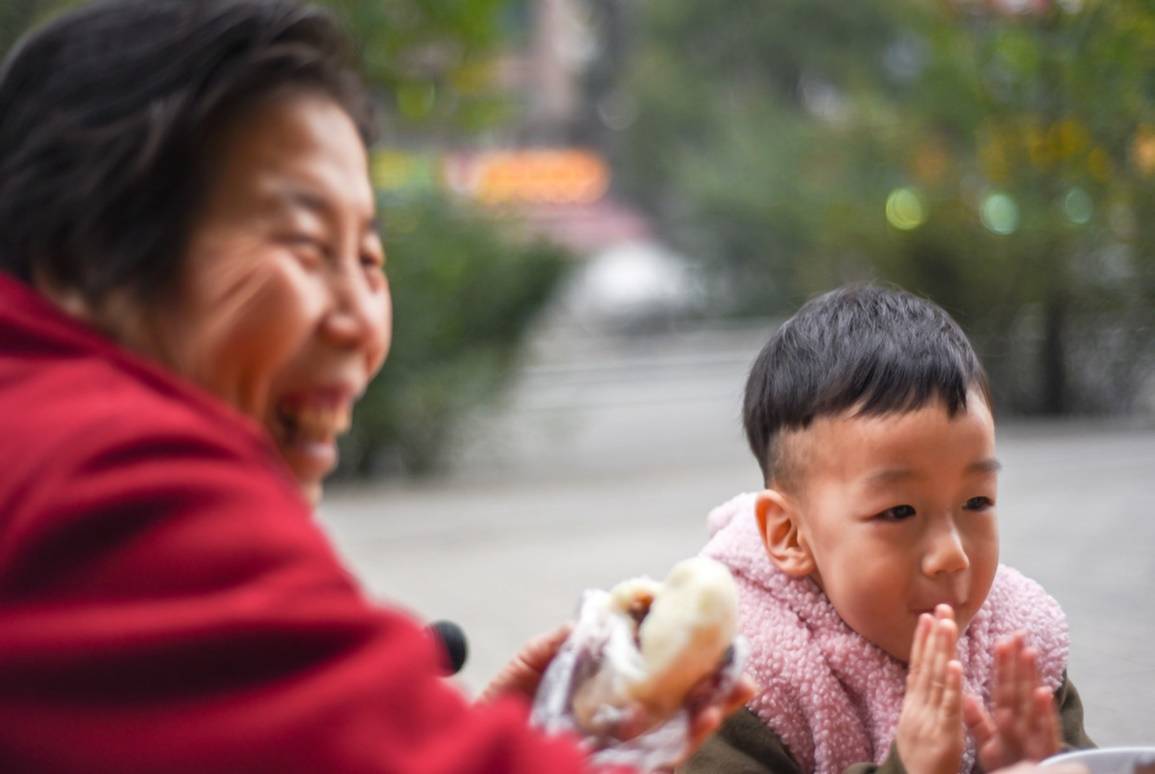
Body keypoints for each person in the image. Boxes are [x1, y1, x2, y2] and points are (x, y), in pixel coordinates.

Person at [0, 1, 749, 770]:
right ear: (82, 258)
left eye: (366, 258)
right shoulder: (108, 478)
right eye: (304, 243)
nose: (361, 323)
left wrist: (428, 729)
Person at [681, 286, 1095, 774]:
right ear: (790, 534)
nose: (952, 554)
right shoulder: (743, 678)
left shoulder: (1015, 649)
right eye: (899, 512)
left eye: (977, 501)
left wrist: (1049, 765)